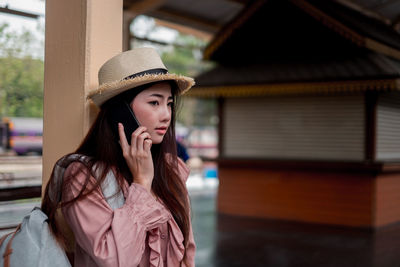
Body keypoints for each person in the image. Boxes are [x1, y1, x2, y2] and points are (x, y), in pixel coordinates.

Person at [41, 47, 196, 267]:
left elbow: (187, 252)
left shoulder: (172, 170)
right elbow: (114, 260)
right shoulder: (83, 177)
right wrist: (141, 184)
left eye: (169, 104)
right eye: (154, 102)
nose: (166, 115)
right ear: (121, 113)